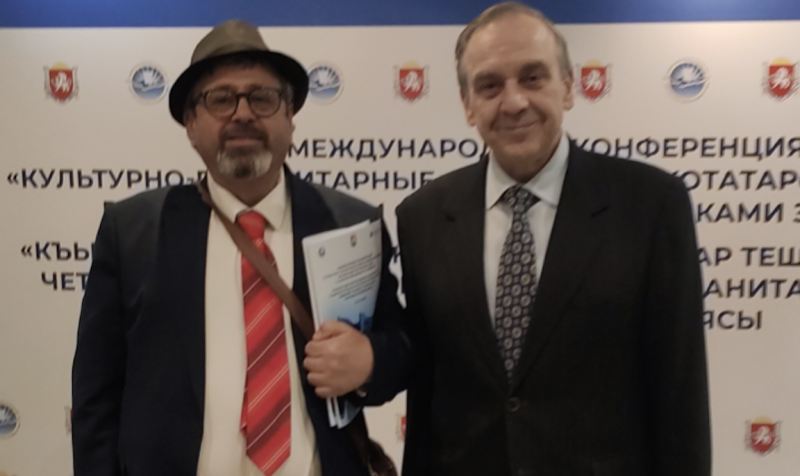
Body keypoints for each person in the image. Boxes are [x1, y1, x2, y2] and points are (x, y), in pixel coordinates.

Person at [71, 20, 406, 476]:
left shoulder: (350, 223)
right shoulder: (133, 231)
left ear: (290, 118)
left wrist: (370, 363)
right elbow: (95, 396)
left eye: (263, 98)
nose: (243, 113)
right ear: (191, 126)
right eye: (220, 99)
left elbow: (402, 347)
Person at [393, 3, 711, 475]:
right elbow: (426, 391)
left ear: (568, 86)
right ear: (467, 104)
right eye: (490, 85)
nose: (514, 102)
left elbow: (679, 391)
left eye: (532, 77)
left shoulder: (651, 204)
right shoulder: (423, 217)